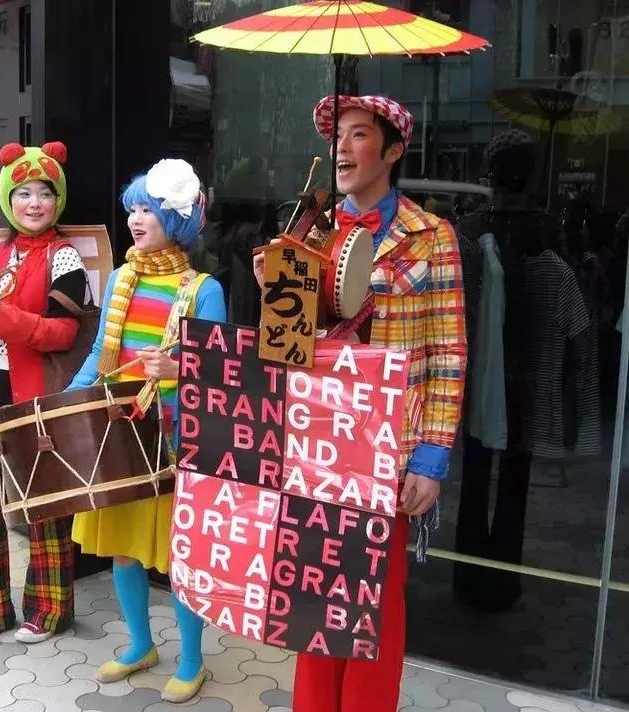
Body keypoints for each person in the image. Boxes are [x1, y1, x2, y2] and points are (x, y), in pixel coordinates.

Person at [254, 95, 467, 712]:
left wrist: (430, 457)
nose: (342, 149)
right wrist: (280, 295)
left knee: (374, 602)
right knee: (313, 598)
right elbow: (283, 352)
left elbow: (449, 352)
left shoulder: (431, 239)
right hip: (315, 438)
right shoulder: (308, 230)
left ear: (393, 150)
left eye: (359, 135)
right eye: (338, 137)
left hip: (388, 446)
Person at [67, 158, 227, 703]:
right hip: (120, 434)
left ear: (175, 219)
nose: (136, 218)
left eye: (149, 209)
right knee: (123, 550)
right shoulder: (120, 277)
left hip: (176, 441)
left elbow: (221, 376)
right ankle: (140, 645)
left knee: (182, 556)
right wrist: (68, 402)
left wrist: (180, 369)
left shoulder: (205, 289)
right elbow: (98, 353)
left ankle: (192, 659)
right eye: (133, 208)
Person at [0, 141, 88, 645]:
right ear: (9, 199)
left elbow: (64, 333)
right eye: (23, 193)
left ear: (57, 200)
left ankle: (50, 610)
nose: (33, 203)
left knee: (44, 508)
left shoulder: (65, 255)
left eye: (44, 194)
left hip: (36, 399)